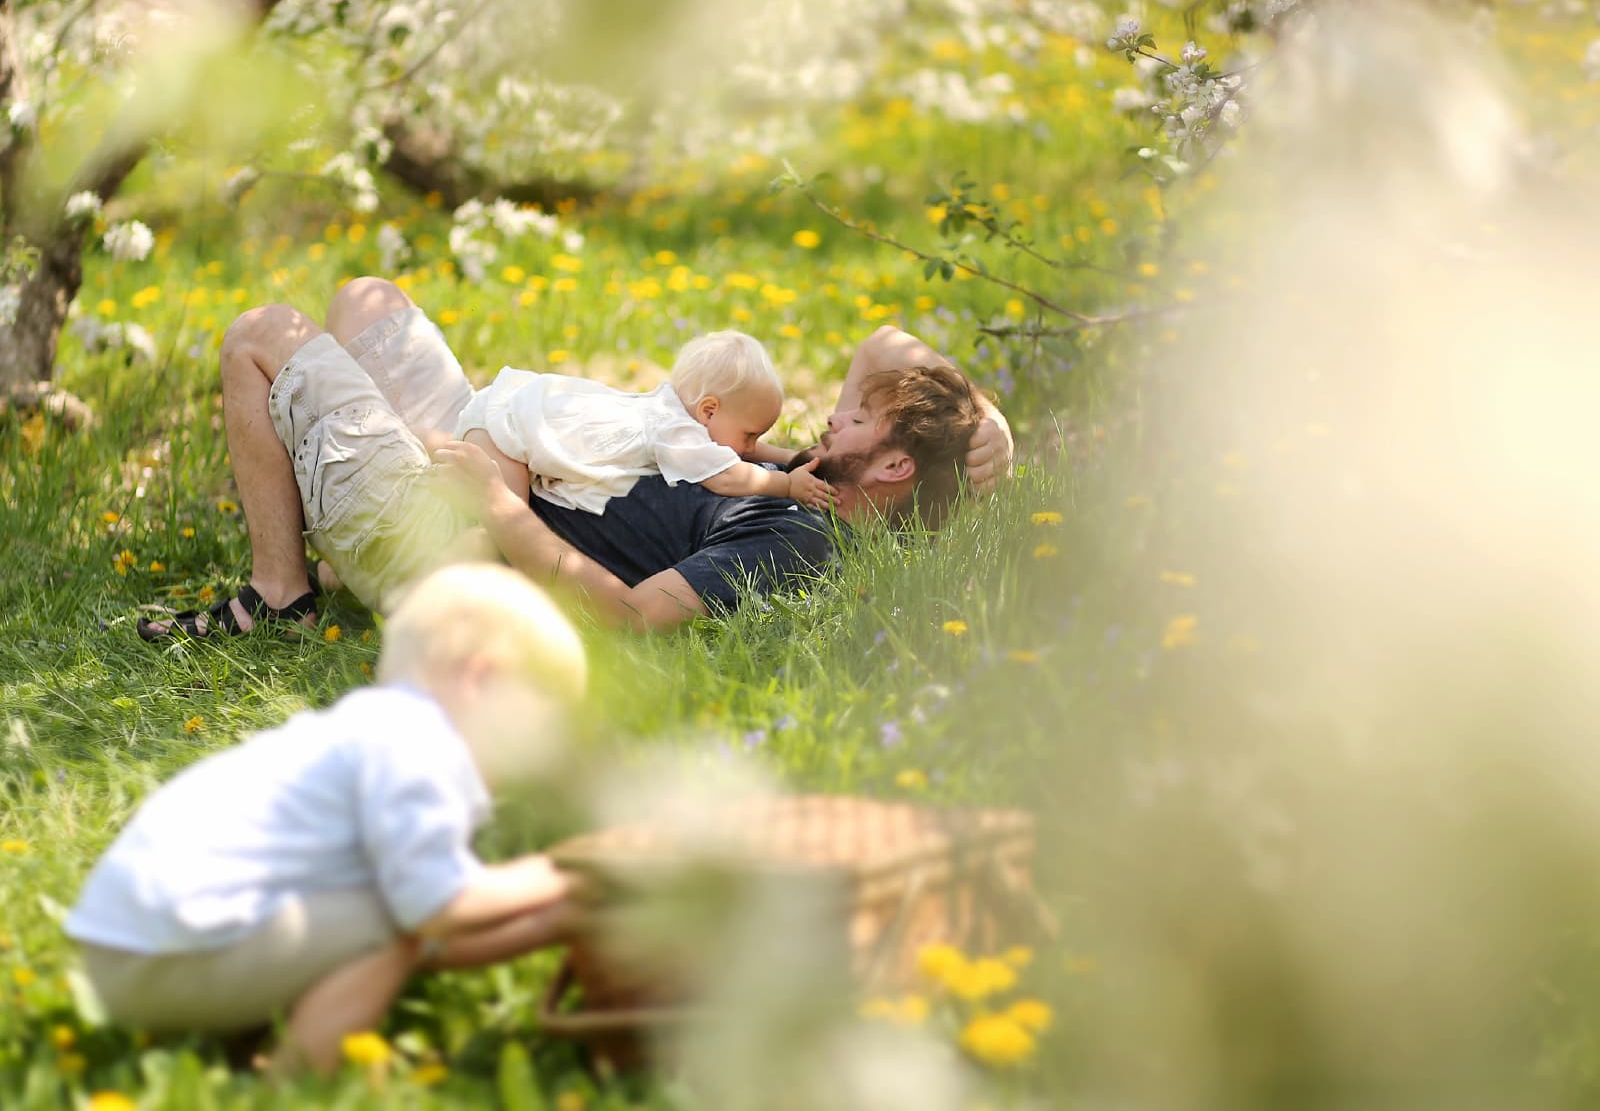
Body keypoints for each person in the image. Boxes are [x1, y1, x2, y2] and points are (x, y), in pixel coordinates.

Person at [136, 276, 1013, 638]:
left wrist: (499, 507)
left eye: (858, 418)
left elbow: (632, 617)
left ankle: (279, 589)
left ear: (895, 469)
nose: (838, 412)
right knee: (364, 300)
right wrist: (986, 424)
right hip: (503, 472)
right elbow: (883, 343)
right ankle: (321, 564)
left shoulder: (798, 540)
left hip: (463, 546)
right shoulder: (812, 481)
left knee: (260, 335)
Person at [72, 564, 586, 1074]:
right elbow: (436, 911)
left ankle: (249, 1041)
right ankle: (293, 1083)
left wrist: (556, 919)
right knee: (386, 924)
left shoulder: (376, 729)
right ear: (483, 677)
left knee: (384, 916)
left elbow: (436, 941)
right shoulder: (419, 746)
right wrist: (567, 873)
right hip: (163, 953)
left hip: (135, 942)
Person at [460, 329, 836, 514]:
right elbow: (726, 475)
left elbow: (739, 450)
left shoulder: (675, 409)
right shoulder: (676, 432)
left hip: (509, 412)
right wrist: (786, 485)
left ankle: (436, 447)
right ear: (708, 410)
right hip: (505, 434)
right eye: (750, 434)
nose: (752, 447)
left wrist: (790, 457)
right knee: (506, 522)